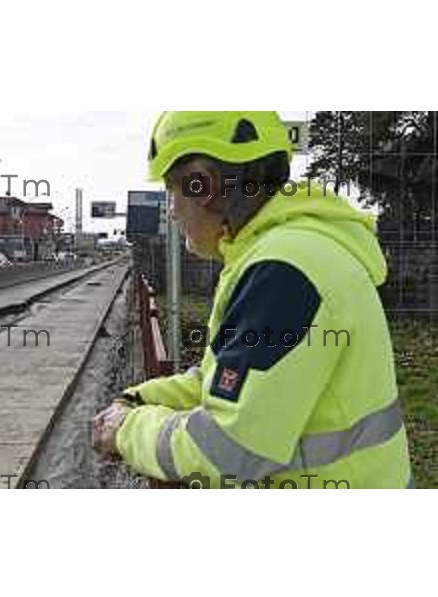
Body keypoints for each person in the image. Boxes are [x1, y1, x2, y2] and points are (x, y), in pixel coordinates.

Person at [93, 111, 414, 489]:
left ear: (203, 185)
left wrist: (128, 430)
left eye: (171, 190)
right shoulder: (291, 251)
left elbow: (226, 453)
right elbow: (227, 377)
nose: (172, 211)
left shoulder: (284, 271)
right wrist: (139, 396)